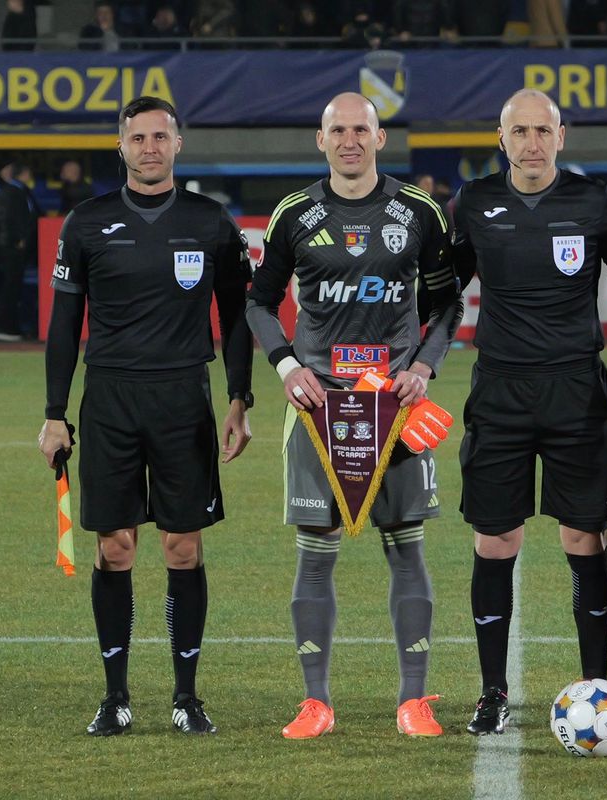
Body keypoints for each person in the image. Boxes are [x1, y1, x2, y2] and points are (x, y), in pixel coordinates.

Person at [245, 92, 462, 740]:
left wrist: (424, 368)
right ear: (321, 140)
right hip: (319, 406)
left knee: (407, 551)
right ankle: (316, 703)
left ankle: (413, 701)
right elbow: (259, 303)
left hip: (397, 405)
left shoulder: (419, 212)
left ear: (379, 137)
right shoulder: (294, 214)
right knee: (315, 556)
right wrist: (288, 366)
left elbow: (448, 305)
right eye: (337, 130)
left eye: (360, 130)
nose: (349, 140)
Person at [37, 95, 254, 737]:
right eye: (139, 138)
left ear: (178, 144)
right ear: (121, 145)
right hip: (109, 400)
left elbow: (237, 316)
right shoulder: (86, 222)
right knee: (115, 546)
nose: (150, 148)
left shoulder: (210, 222)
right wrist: (54, 413)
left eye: (161, 137)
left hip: (184, 399)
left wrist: (239, 398)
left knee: (182, 547)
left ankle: (186, 697)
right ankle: (116, 696)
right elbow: (63, 325)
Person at [451, 88, 607, 735]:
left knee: (584, 536)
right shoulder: (474, 203)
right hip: (499, 391)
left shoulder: (595, 203)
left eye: (543, 130)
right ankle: (492, 691)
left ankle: (596, 687)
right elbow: (441, 293)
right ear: (501, 138)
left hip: (576, 391)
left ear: (562, 136)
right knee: (495, 539)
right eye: (520, 131)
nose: (532, 143)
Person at [0, 162, 37, 341]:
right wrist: (18, 238)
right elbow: (8, 217)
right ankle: (4, 328)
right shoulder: (11, 191)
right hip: (11, 247)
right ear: (23, 173)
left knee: (14, 286)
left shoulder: (20, 191)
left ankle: (11, 327)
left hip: (16, 247)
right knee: (10, 286)